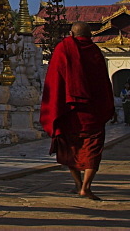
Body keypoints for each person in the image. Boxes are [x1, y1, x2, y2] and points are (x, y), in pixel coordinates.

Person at [39, 21, 114, 201]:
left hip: (68, 111)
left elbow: (54, 81)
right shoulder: (95, 51)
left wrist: (53, 107)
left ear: (71, 34)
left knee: (70, 149)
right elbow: (104, 84)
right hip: (91, 113)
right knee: (93, 149)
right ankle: (86, 187)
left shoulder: (63, 49)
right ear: (90, 36)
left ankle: (78, 184)